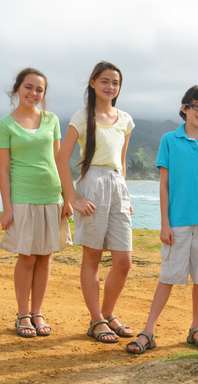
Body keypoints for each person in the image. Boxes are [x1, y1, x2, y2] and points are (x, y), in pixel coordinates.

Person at [125, 84, 198, 354]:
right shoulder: (169, 140)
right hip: (178, 221)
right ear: (184, 109)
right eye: (197, 106)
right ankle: (148, 332)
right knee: (168, 276)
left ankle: (196, 328)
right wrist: (165, 223)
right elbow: (164, 185)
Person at [56, 61, 135, 343]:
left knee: (123, 261)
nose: (109, 86)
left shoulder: (125, 119)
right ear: (92, 83)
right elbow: (62, 158)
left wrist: (125, 196)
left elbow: (122, 162)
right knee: (92, 258)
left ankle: (108, 313)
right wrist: (73, 198)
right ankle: (96, 320)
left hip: (117, 185)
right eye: (104, 81)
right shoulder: (82, 116)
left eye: (115, 82)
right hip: (93, 182)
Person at [0, 68, 72, 338]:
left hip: (51, 195)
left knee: (45, 257)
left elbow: (59, 160)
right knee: (26, 257)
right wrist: (6, 208)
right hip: (22, 198)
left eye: (39, 90)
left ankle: (37, 312)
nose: (34, 93)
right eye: (29, 87)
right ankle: (22, 314)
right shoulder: (5, 124)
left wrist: (66, 197)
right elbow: (3, 170)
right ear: (18, 88)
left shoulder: (52, 120)